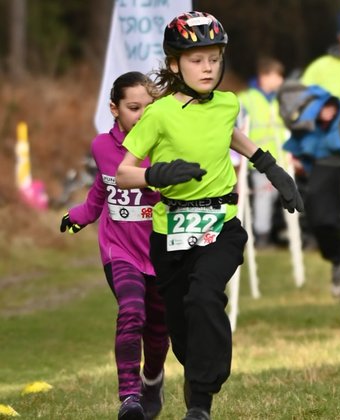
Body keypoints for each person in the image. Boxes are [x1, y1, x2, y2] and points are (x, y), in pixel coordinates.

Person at [116, 12, 303, 420]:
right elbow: (122, 172)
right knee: (182, 326)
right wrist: (155, 173)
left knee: (204, 295)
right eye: (197, 59)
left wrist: (270, 167)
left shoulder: (228, 103)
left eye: (214, 59)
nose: (207, 68)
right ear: (174, 64)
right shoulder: (159, 114)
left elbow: (230, 132)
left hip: (220, 225)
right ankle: (193, 374)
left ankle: (200, 402)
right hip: (170, 233)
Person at [60, 71, 168, 420]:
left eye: (148, 108)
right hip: (119, 248)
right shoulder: (102, 147)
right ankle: (129, 398)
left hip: (161, 250)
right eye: (134, 107)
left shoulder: (165, 146)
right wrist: (79, 215)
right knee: (132, 311)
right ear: (114, 109)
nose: (142, 115)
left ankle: (152, 379)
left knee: (157, 329)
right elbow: (101, 192)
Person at [281, 85, 340, 297]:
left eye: (331, 107)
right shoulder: (307, 125)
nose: (328, 112)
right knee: (319, 220)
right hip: (322, 168)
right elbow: (299, 144)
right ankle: (339, 259)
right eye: (324, 108)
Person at [237, 56, 288, 247]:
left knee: (275, 196)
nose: (281, 81)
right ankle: (262, 236)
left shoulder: (279, 100)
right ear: (264, 76)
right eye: (277, 76)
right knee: (264, 196)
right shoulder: (246, 99)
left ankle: (276, 233)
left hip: (280, 158)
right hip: (257, 160)